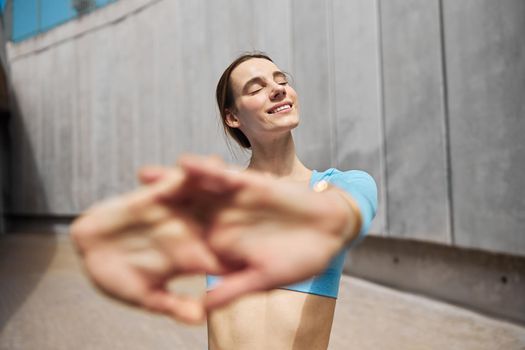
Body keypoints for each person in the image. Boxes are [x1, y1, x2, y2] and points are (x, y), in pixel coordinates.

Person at [71, 52, 377, 350]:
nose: (276, 89)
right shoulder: (218, 205)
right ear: (232, 117)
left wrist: (328, 217)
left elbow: (351, 210)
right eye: (256, 88)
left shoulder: (343, 184)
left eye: (281, 79)